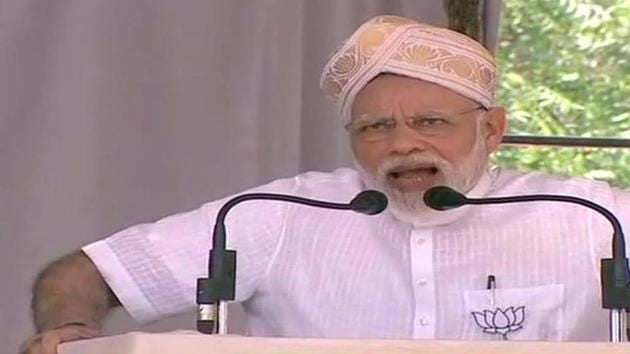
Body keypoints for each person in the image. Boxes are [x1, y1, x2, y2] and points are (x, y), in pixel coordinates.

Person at [21, 15, 630, 354]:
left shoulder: (586, 218)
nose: (401, 144)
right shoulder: (280, 214)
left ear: (493, 129)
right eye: (375, 127)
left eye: (431, 123)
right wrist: (71, 331)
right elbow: (80, 274)